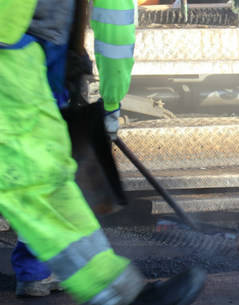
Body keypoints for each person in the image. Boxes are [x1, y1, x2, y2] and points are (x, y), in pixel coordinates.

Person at [0, 0, 206, 304]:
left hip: (26, 47)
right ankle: (110, 290)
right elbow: (116, 31)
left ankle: (88, 282)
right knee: (34, 173)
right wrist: (111, 103)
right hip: (14, 46)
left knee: (47, 172)